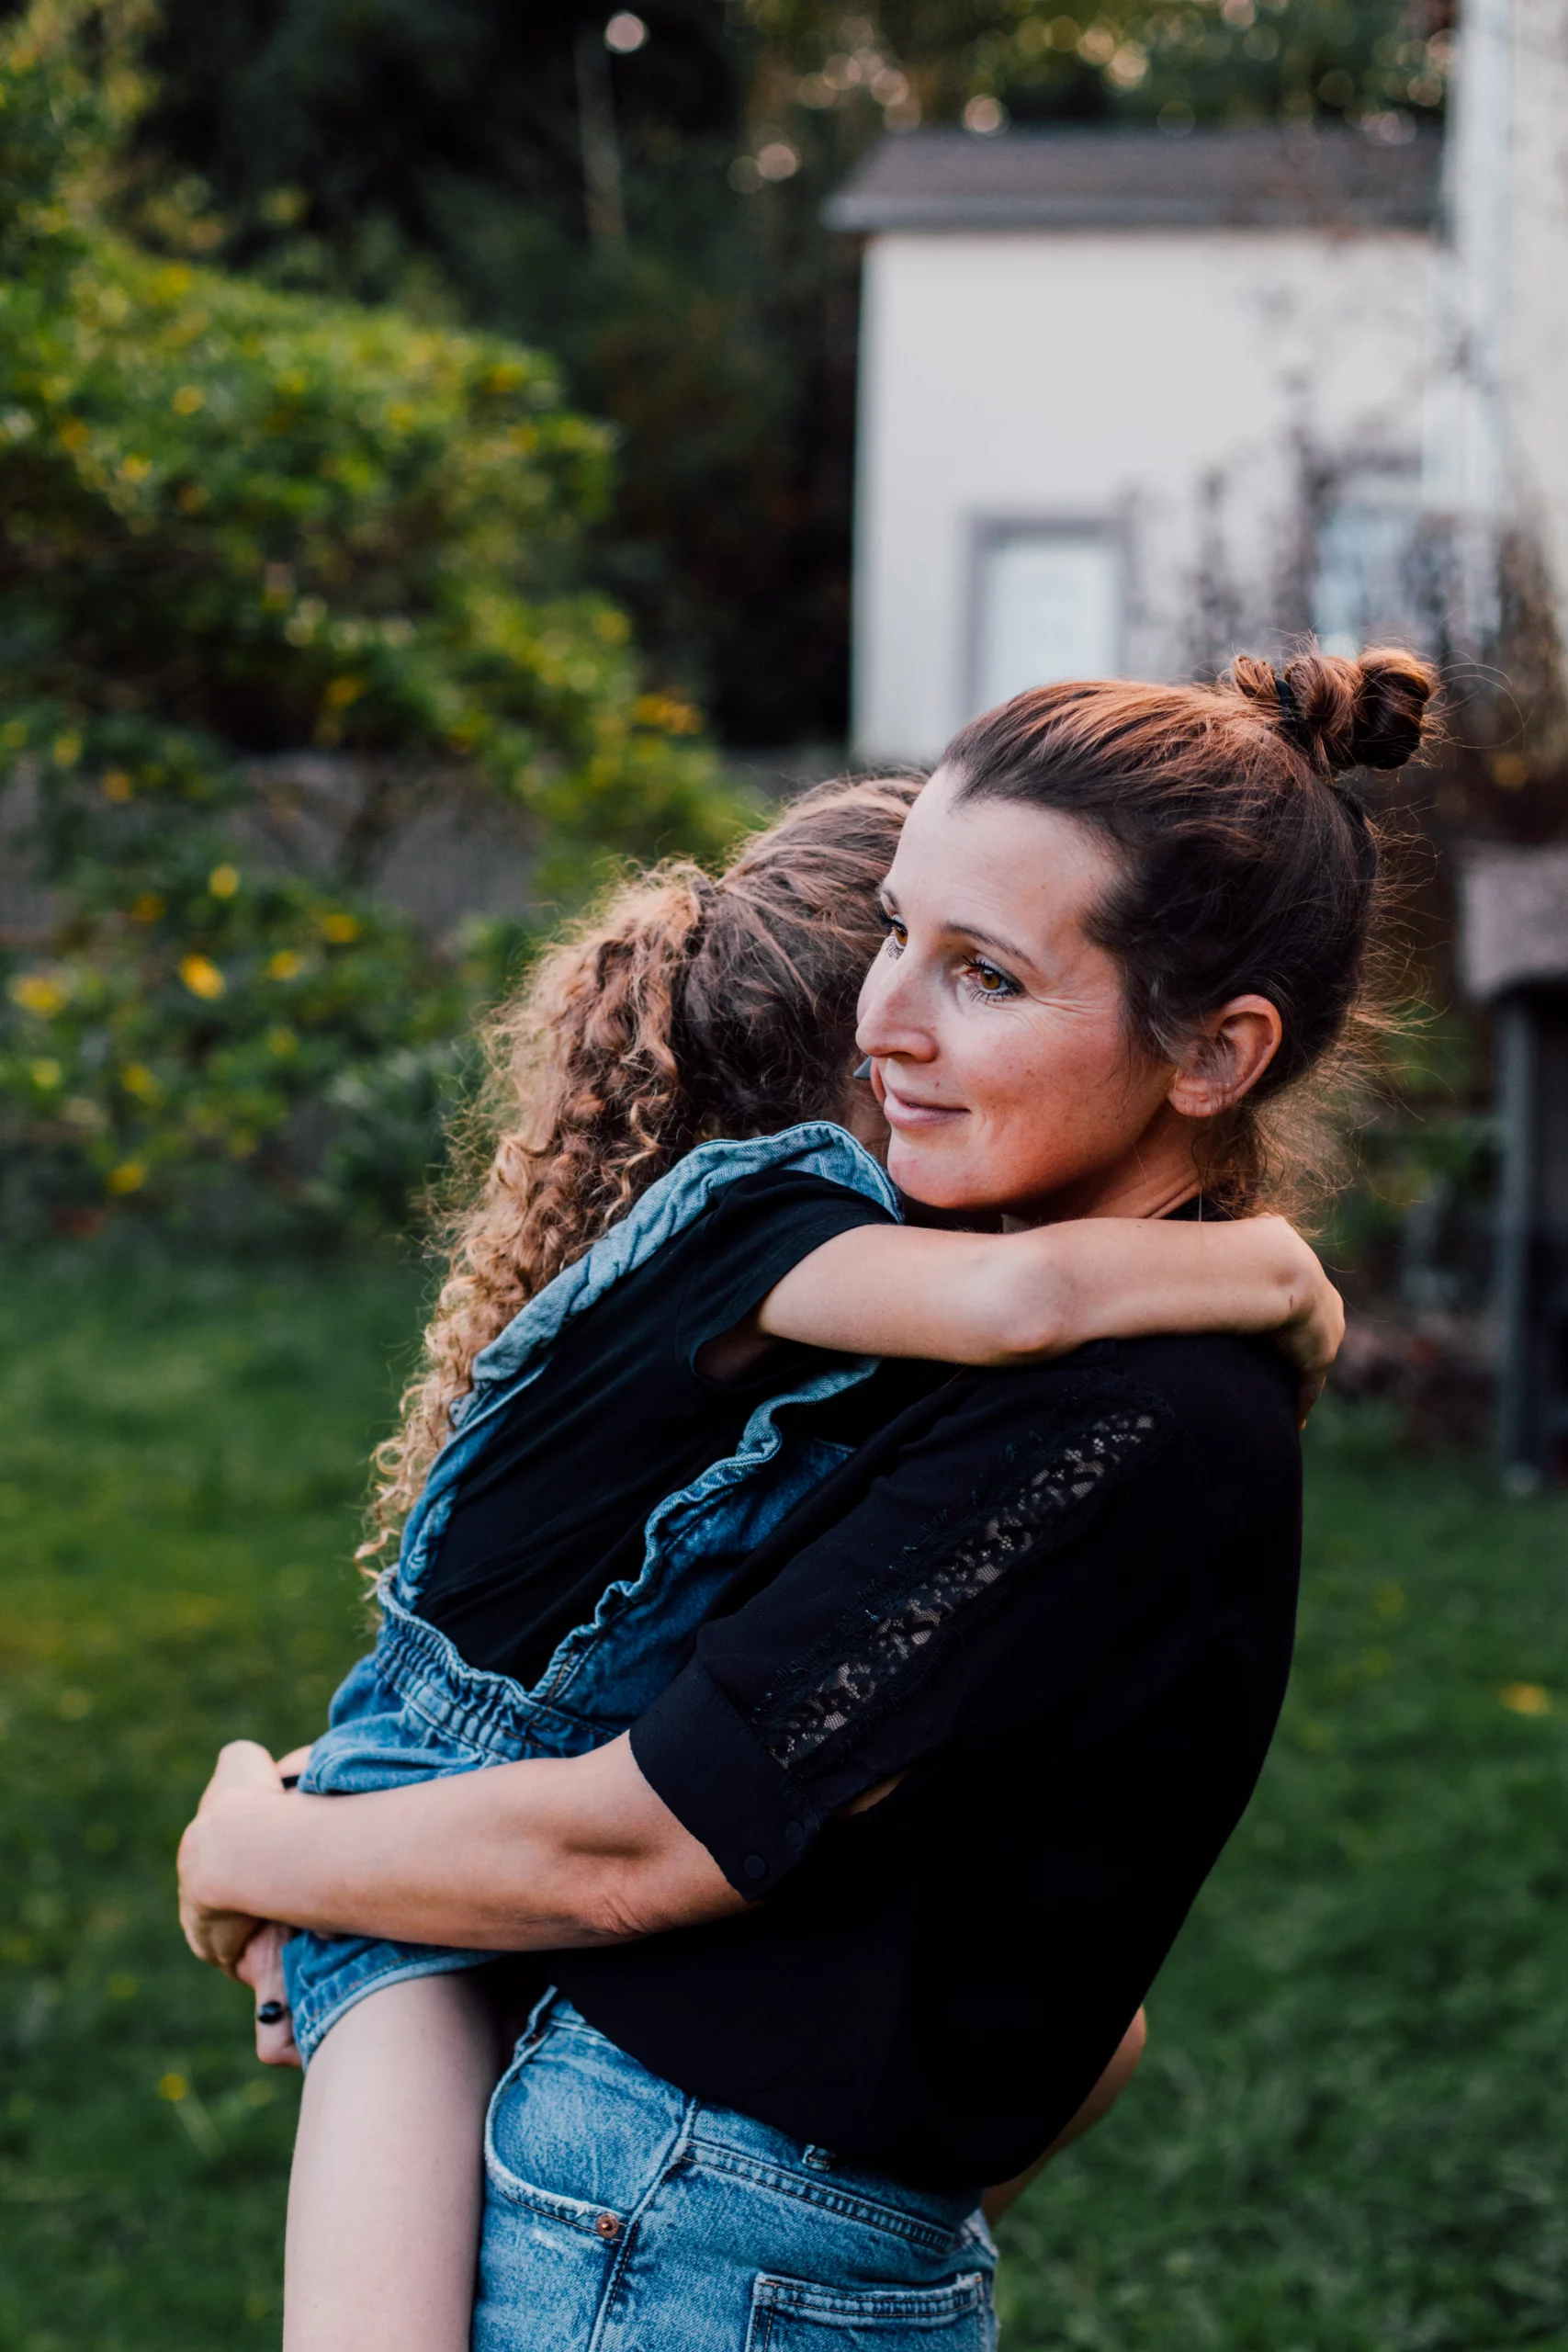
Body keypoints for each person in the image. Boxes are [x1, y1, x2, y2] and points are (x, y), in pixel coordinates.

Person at [181, 648, 1431, 2352]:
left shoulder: (1107, 1400)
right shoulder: (904, 1296)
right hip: (666, 2194)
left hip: (702, 2200)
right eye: (897, 935)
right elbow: (648, 1846)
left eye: (984, 973)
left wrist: (269, 1850)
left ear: (1215, 1053)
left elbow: (969, 1931)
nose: (887, 1018)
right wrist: (1285, 1280)